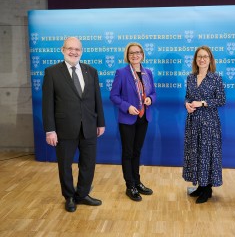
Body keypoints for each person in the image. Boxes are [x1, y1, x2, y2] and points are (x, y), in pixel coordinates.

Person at [42, 37, 105, 212]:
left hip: (89, 127)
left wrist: (101, 122)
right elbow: (47, 105)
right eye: (70, 48)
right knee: (65, 165)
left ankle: (83, 194)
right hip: (64, 129)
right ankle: (69, 196)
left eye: (77, 49)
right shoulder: (52, 72)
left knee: (88, 163)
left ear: (82, 51)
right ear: (62, 50)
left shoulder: (90, 71)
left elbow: (97, 99)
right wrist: (50, 130)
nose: (74, 52)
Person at [110, 42, 156, 202]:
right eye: (131, 53)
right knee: (128, 153)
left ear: (142, 54)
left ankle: (137, 182)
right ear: (127, 56)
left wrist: (150, 98)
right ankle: (130, 186)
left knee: (137, 152)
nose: (135, 55)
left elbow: (154, 93)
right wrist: (127, 107)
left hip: (144, 118)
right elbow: (114, 96)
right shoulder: (121, 73)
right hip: (128, 119)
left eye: (137, 52)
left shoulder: (147, 73)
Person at [183, 45, 226, 204]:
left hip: (209, 123)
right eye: (199, 56)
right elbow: (188, 97)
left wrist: (202, 103)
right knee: (195, 153)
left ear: (210, 60)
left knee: (207, 154)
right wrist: (187, 104)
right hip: (193, 122)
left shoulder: (216, 78)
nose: (202, 59)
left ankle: (207, 189)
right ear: (195, 59)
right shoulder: (190, 77)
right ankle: (200, 186)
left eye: (205, 57)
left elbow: (221, 100)